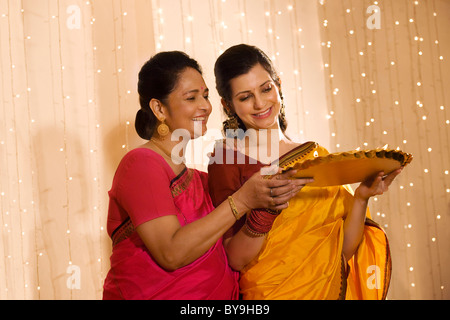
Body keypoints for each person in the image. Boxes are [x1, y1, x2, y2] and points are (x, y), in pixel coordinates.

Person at [102, 51, 304, 300]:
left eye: (206, 96)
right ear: (158, 108)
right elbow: (171, 253)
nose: (205, 106)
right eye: (191, 97)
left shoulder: (200, 179)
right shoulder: (141, 164)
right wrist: (243, 201)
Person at [208, 44, 402, 300]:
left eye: (266, 89)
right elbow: (233, 258)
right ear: (228, 105)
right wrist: (265, 213)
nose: (260, 103)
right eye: (245, 97)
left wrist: (361, 197)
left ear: (278, 84)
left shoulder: (315, 155)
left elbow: (342, 251)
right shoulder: (227, 160)